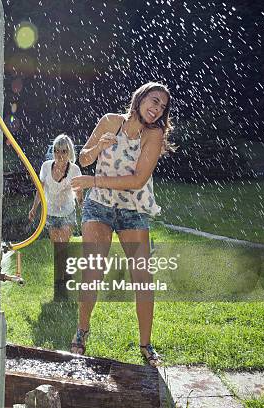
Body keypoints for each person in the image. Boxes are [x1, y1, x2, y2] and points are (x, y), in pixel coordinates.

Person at [69, 82, 175, 366]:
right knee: (93, 269)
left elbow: (137, 180)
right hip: (100, 206)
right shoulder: (110, 121)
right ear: (139, 99)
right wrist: (98, 147)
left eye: (162, 107)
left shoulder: (154, 134)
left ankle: (145, 345)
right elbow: (84, 158)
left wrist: (93, 181)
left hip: (133, 208)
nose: (156, 109)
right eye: (153, 101)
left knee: (142, 278)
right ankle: (81, 332)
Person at [29, 134, 82, 294]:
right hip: (50, 212)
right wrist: (34, 208)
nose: (60, 155)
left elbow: (79, 192)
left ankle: (62, 281)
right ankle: (63, 277)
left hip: (67, 211)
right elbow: (40, 190)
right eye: (57, 151)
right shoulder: (46, 166)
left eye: (64, 151)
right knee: (57, 248)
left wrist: (83, 207)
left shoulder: (74, 169)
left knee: (62, 246)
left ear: (69, 153)